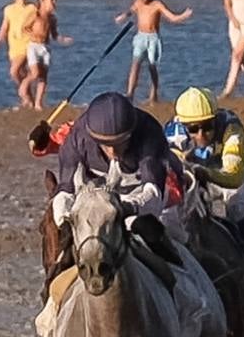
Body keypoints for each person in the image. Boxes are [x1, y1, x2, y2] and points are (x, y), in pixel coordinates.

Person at [48, 91, 186, 273]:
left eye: (120, 143)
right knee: (62, 249)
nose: (113, 151)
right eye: (106, 145)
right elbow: (65, 188)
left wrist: (126, 208)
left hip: (140, 199)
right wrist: (64, 219)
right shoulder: (78, 137)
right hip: (95, 203)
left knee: (166, 231)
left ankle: (183, 278)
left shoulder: (149, 133)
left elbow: (153, 193)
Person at [165, 87, 244, 291]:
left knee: (236, 210)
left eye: (207, 126)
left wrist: (205, 173)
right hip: (197, 172)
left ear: (215, 118)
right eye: (193, 128)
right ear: (182, 124)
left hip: (231, 171)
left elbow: (234, 177)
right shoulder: (172, 134)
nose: (201, 134)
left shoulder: (231, 128)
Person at [115, 0, 193, 103]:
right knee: (135, 64)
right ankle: (130, 93)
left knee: (152, 67)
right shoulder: (138, 3)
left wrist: (184, 15)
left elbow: (172, 18)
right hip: (140, 37)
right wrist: (123, 16)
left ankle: (153, 93)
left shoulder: (157, 4)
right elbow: (131, 11)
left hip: (153, 38)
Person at [20, 0, 73, 111]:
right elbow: (25, 27)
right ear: (42, 1)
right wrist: (32, 34)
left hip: (45, 47)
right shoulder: (36, 14)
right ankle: (23, 88)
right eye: (52, 0)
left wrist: (63, 39)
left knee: (43, 77)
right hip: (33, 46)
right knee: (35, 73)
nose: (54, 3)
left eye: (55, 0)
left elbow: (54, 34)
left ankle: (38, 103)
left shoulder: (52, 19)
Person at [0, 0, 37, 108]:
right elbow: (5, 26)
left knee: (13, 71)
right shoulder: (8, 9)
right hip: (14, 46)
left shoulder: (32, 8)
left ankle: (24, 94)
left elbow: (39, 23)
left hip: (27, 44)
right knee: (20, 73)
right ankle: (29, 98)